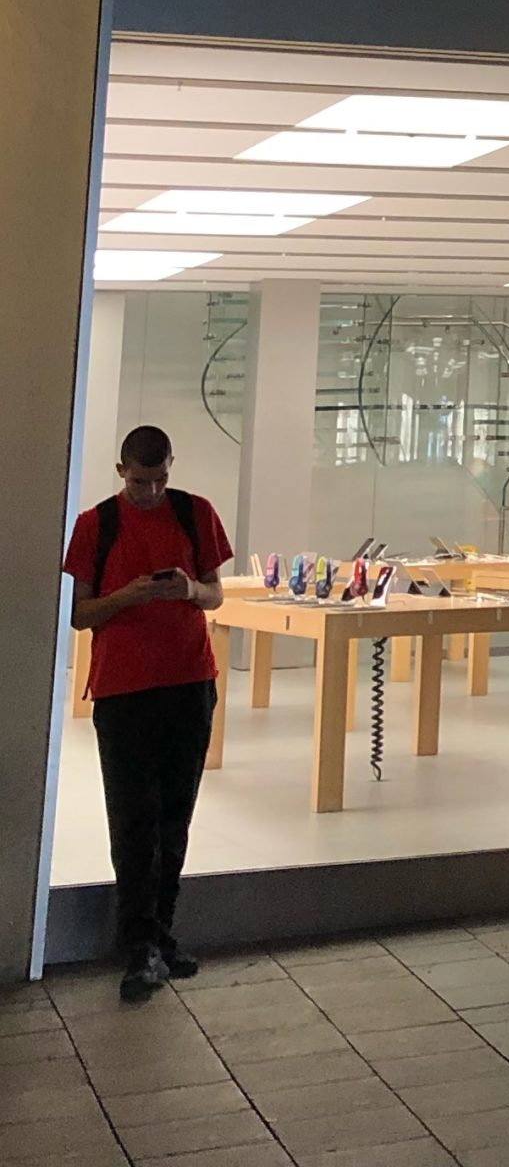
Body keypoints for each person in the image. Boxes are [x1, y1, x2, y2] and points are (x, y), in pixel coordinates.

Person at [63, 424, 232, 1001]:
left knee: (175, 816)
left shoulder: (195, 513)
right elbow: (80, 615)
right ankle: (137, 943)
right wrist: (128, 597)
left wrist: (187, 590)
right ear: (120, 472)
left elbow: (216, 594)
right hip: (124, 692)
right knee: (133, 820)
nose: (151, 493)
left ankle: (162, 934)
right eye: (140, 482)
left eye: (160, 481)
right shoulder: (96, 525)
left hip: (189, 683)